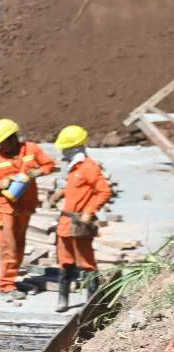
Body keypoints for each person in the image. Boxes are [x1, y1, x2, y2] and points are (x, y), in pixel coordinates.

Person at [0, 118, 57, 296]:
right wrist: (0, 183)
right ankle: (6, 286)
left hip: (25, 206)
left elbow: (50, 165)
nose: (1, 146)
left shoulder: (31, 150)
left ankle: (12, 280)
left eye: (3, 142)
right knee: (9, 246)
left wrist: (37, 171)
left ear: (12, 138)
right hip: (5, 208)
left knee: (20, 245)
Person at [51, 125, 112, 311]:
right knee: (65, 261)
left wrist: (89, 211)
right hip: (66, 223)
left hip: (79, 223)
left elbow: (104, 191)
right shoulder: (74, 168)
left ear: (74, 148)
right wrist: (61, 193)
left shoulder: (89, 167)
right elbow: (76, 189)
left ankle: (92, 302)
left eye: (65, 148)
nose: (63, 152)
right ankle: (63, 299)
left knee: (86, 262)